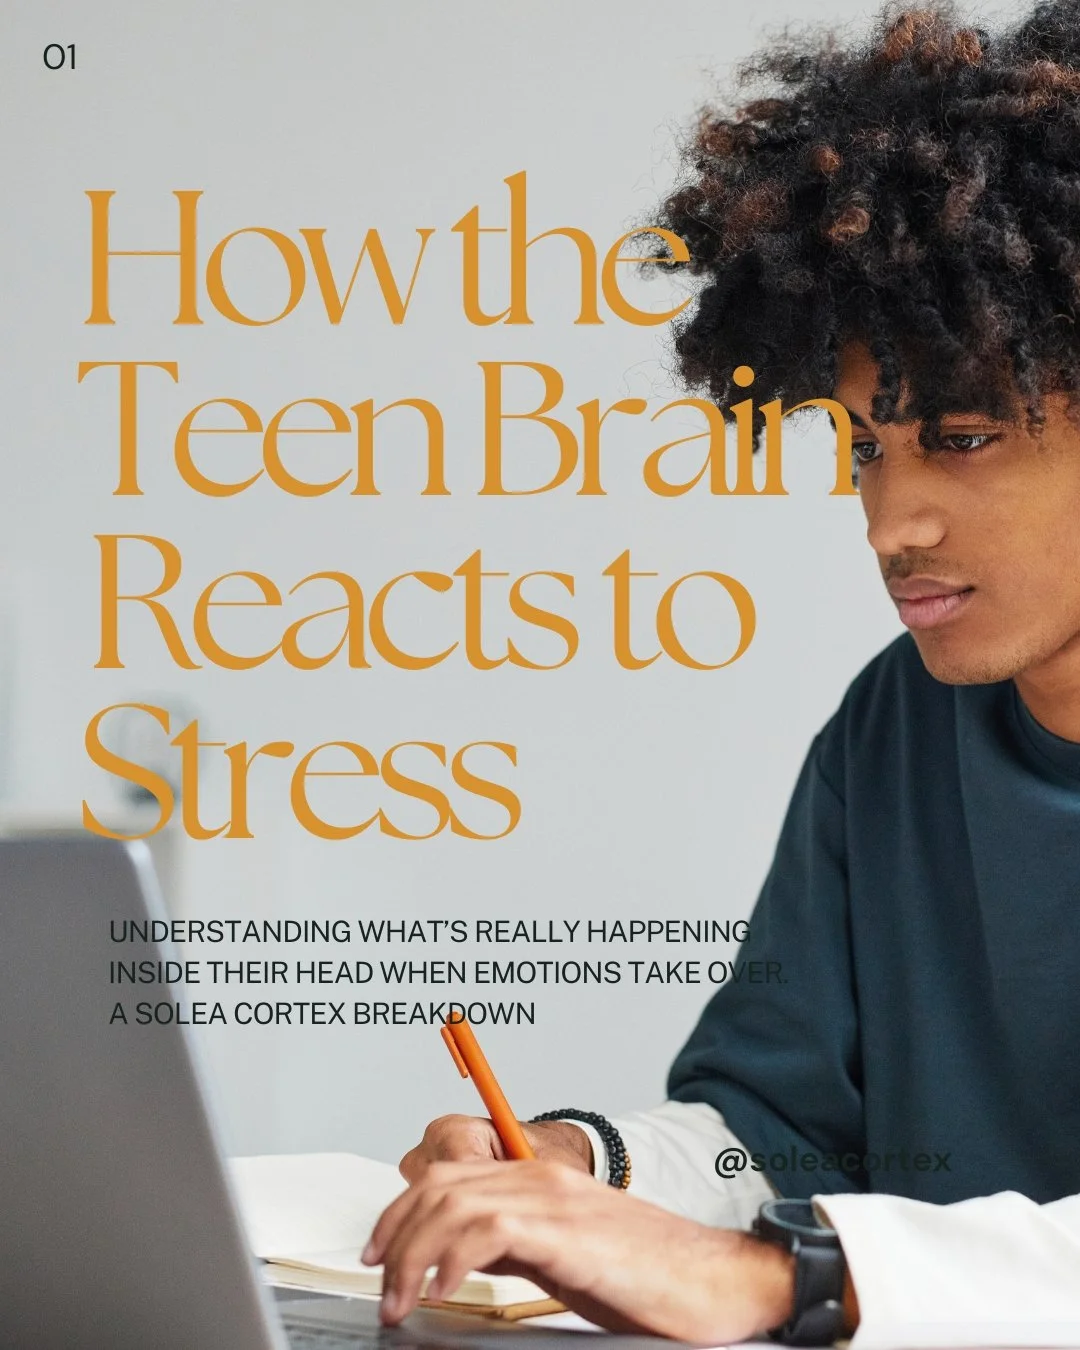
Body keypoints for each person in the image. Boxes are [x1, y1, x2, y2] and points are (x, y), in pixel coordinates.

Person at [363, 3, 1080, 1344]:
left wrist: (778, 1278)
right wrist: (580, 1171)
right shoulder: (895, 725)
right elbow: (783, 1130)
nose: (890, 523)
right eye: (864, 448)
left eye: (964, 436)